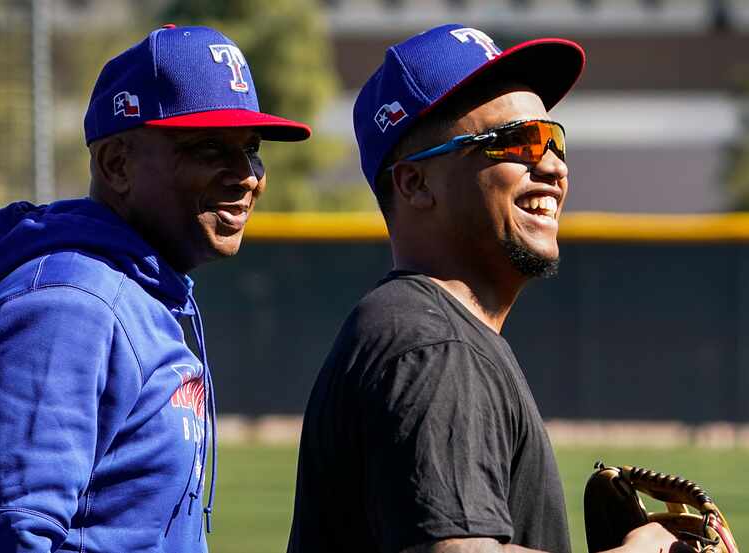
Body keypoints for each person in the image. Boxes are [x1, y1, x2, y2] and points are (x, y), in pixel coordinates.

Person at [287, 24, 681, 553]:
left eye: (553, 139)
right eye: (515, 142)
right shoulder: (433, 347)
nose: (551, 165)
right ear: (415, 183)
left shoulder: (431, 330)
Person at [0, 24, 309, 552]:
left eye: (252, 148)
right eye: (209, 147)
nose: (246, 175)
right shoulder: (67, 309)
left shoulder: (141, 296)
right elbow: (3, 534)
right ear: (117, 164)